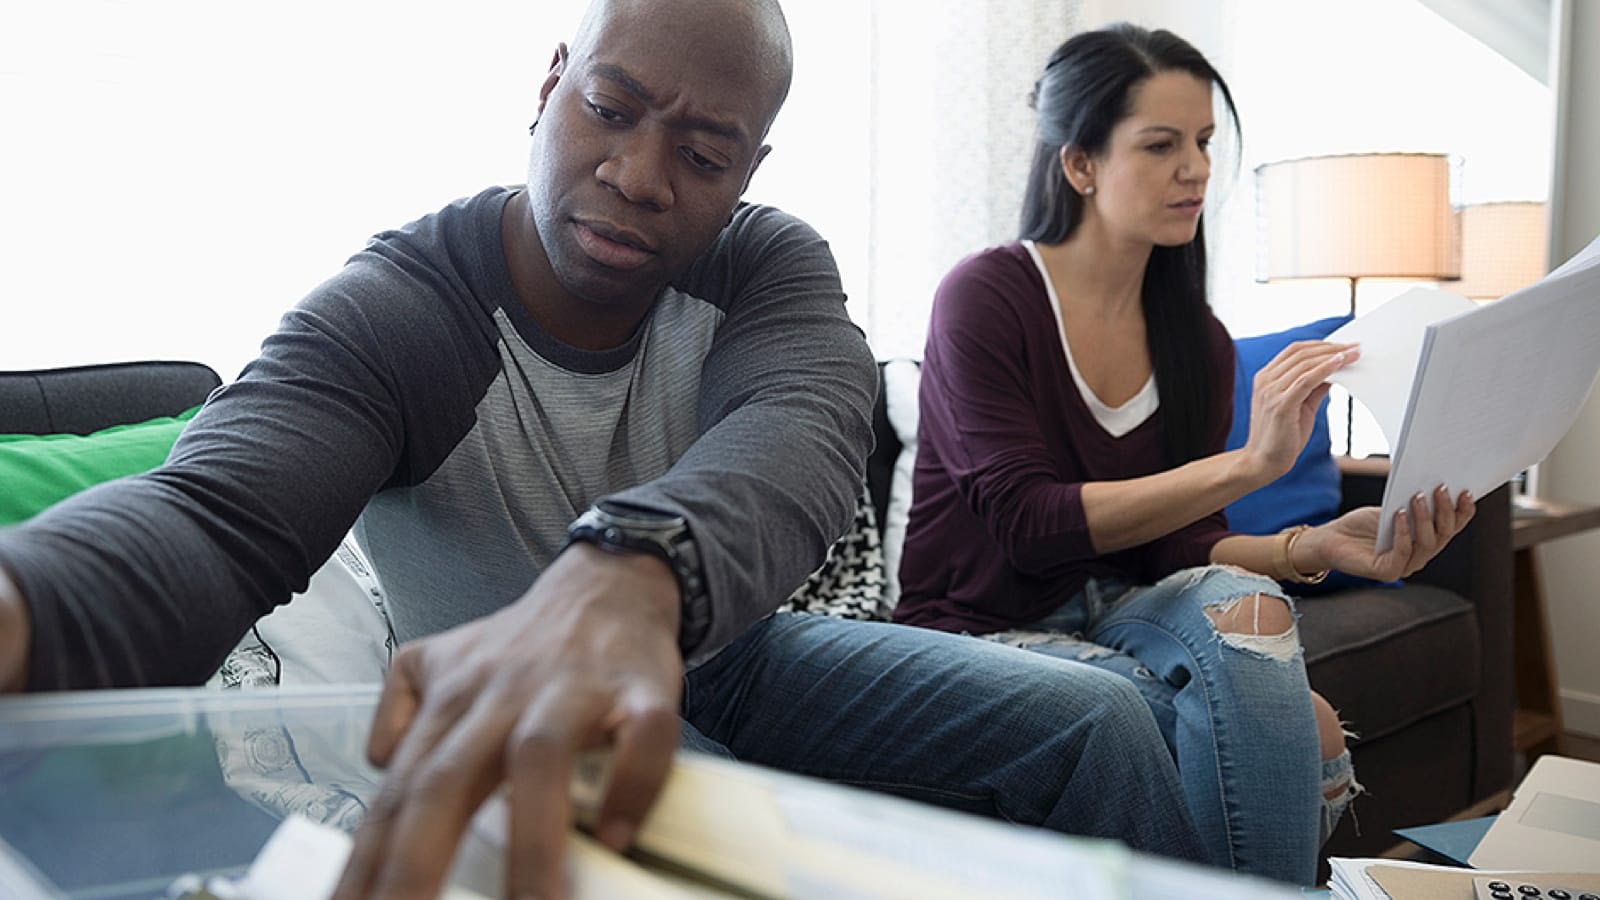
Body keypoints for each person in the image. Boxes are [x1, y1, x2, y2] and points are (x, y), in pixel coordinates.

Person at [0, 3, 1214, 897]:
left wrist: (625, 575)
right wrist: (23, 602)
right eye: (610, 110)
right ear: (550, 84)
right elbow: (213, 515)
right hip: (517, 711)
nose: (637, 177)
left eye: (700, 156)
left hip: (724, 650)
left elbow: (803, 427)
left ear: (747, 170)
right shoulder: (403, 309)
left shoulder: (763, 262)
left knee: (1099, 724)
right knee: (711, 836)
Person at [891, 23, 1477, 887]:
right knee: (1289, 725)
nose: (1196, 168)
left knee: (1250, 605)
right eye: (1161, 145)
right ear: (1080, 163)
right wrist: (1250, 462)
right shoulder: (988, 296)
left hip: (1123, 603)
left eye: (1202, 141)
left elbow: (1178, 548)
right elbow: (1026, 522)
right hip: (977, 622)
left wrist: (1312, 546)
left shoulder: (1193, 337)